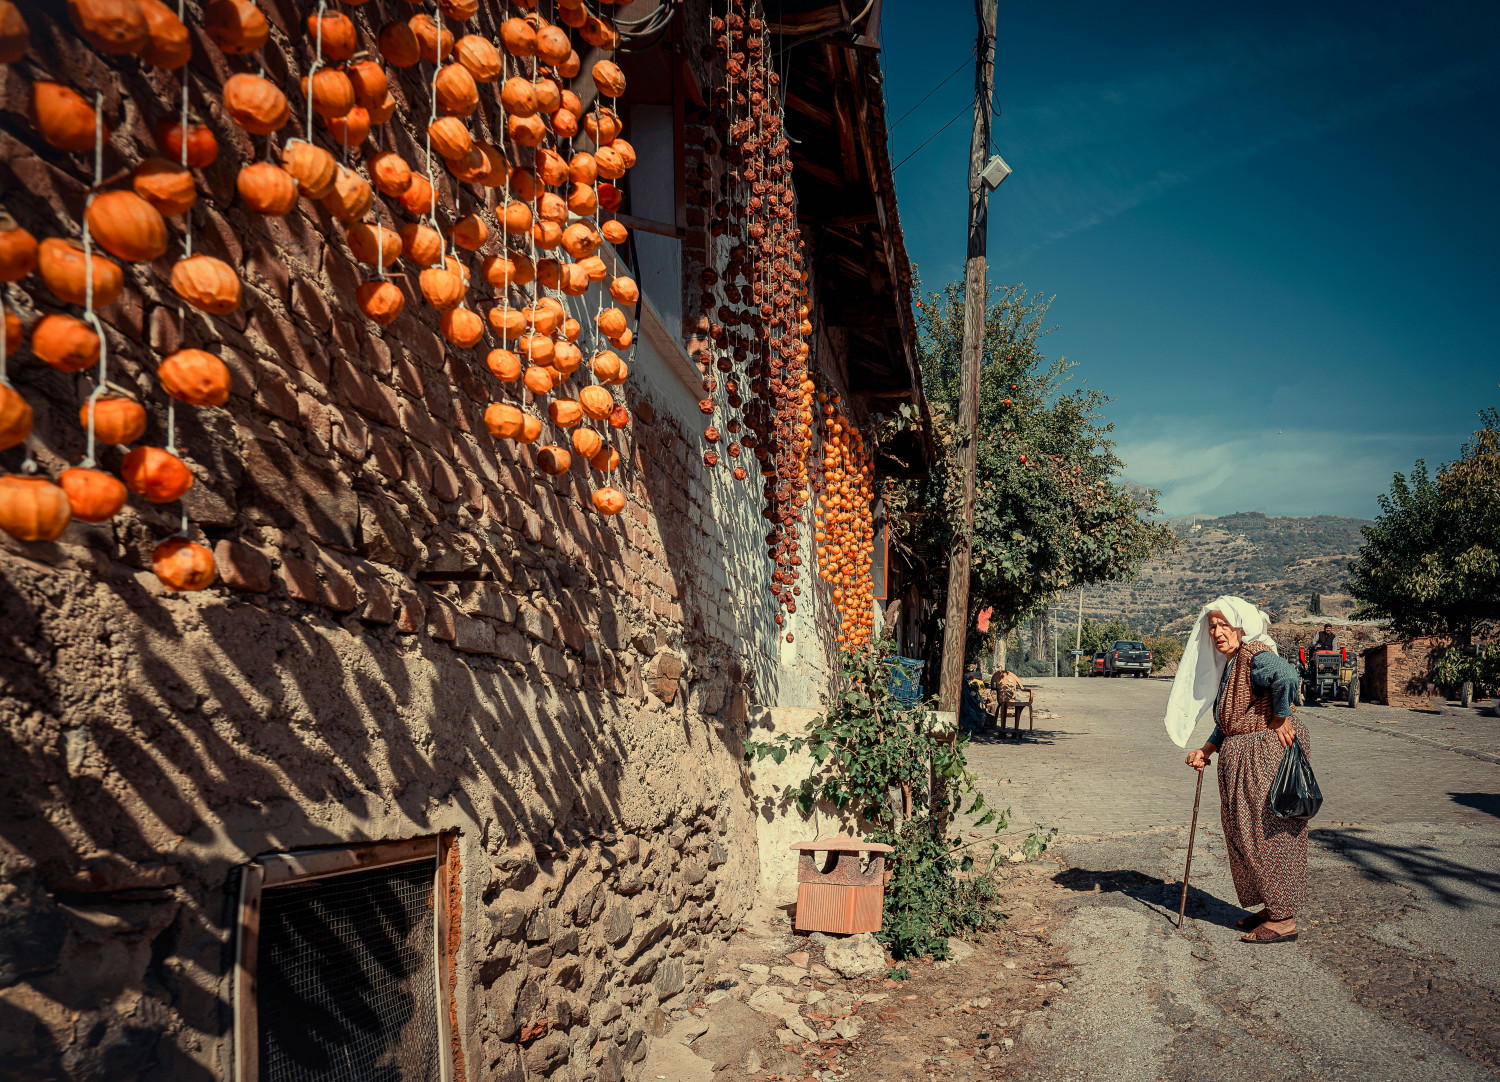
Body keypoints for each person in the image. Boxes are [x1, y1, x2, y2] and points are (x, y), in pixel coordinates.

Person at [1164, 596, 1309, 943]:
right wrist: (1207, 748)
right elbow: (1231, 718)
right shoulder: (1232, 664)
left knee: (1265, 833)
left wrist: (1280, 717)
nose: (1216, 631)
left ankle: (1283, 919)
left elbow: (1288, 676)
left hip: (1262, 755)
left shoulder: (1254, 656)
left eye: (1223, 624)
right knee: (1243, 833)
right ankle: (1273, 906)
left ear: (1240, 626)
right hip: (1241, 753)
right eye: (1211, 625)